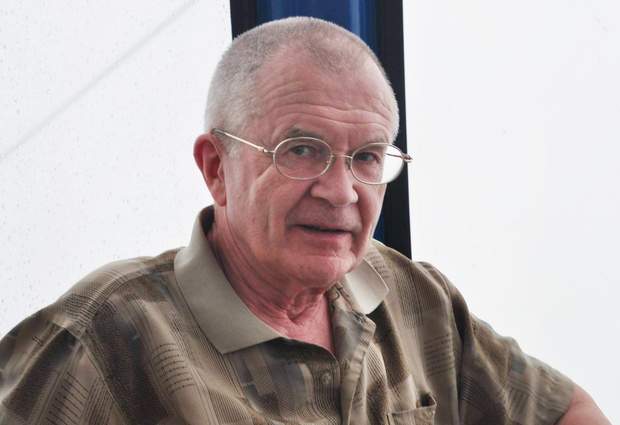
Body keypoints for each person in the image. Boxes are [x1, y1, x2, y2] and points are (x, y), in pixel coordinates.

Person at [0, 17, 609, 425]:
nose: (341, 192)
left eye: (366, 157)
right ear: (216, 168)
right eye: (301, 150)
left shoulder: (410, 296)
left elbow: (565, 411)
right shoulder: (98, 342)